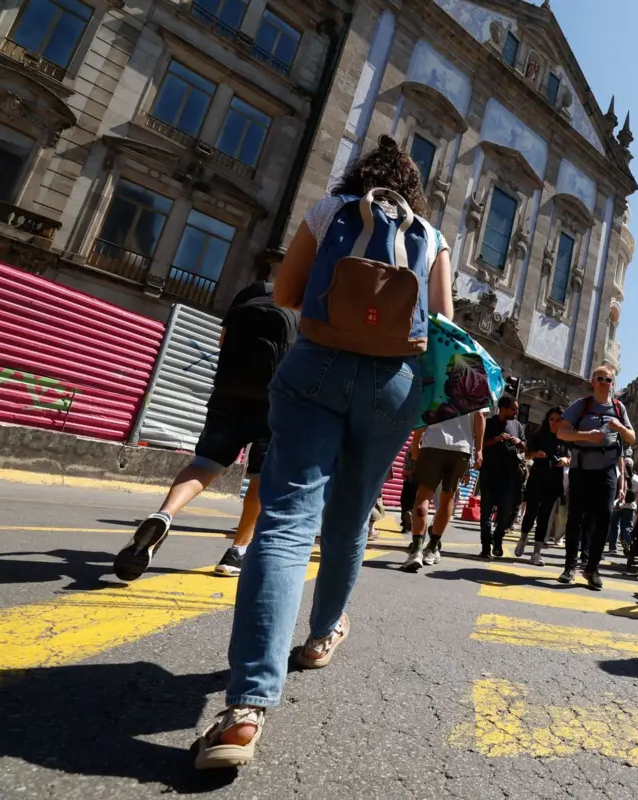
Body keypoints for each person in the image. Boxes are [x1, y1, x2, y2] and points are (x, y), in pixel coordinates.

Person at [192, 135, 452, 769]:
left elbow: (284, 291)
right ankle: (320, 635)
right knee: (351, 517)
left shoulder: (328, 212)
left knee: (283, 523)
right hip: (393, 385)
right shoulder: (432, 236)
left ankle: (245, 710)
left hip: (313, 369)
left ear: (358, 174)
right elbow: (443, 323)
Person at [114, 274, 298, 582]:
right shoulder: (305, 302)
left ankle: (166, 513)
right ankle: (236, 552)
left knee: (204, 463)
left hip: (229, 393)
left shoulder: (252, 291)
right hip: (277, 401)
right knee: (261, 478)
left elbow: (223, 341)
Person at [557, 365, 636, 589]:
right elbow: (562, 432)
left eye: (608, 379)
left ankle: (592, 569)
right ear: (592, 381)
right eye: (599, 378)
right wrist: (586, 436)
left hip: (607, 471)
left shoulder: (619, 408)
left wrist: (620, 427)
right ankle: (570, 566)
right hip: (581, 469)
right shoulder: (581, 406)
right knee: (575, 518)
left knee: (604, 519)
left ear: (613, 384)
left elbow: (632, 437)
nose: (603, 382)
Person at [400, 411, 485, 572]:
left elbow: (426, 408)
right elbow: (480, 416)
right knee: (448, 497)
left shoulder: (438, 383)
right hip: (461, 447)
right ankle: (431, 549)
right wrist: (479, 450)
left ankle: (416, 550)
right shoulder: (480, 384)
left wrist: (416, 441)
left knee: (423, 494)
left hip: (433, 442)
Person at [515, 407, 570, 565]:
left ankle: (536, 553)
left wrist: (566, 460)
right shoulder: (539, 435)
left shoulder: (565, 438)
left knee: (545, 517)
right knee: (530, 513)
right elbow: (526, 454)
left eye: (558, 420)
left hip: (554, 482)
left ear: (563, 422)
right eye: (552, 419)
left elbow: (570, 457)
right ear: (547, 420)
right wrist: (535, 454)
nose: (554, 423)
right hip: (537, 479)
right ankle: (523, 539)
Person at [479, 395, 526, 560]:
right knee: (486, 512)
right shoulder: (490, 423)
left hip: (509, 477)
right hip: (489, 475)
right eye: (513, 409)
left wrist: (519, 442)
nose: (516, 412)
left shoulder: (517, 425)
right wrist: (497, 439)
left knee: (505, 513)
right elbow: (480, 445)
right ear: (503, 409)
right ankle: (486, 546)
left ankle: (497, 540)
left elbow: (525, 448)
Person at [608, 457, 638, 554]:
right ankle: (627, 547)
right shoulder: (635, 478)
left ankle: (613, 548)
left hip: (618, 505)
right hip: (630, 506)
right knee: (627, 527)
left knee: (614, 526)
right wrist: (637, 506)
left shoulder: (619, 476)